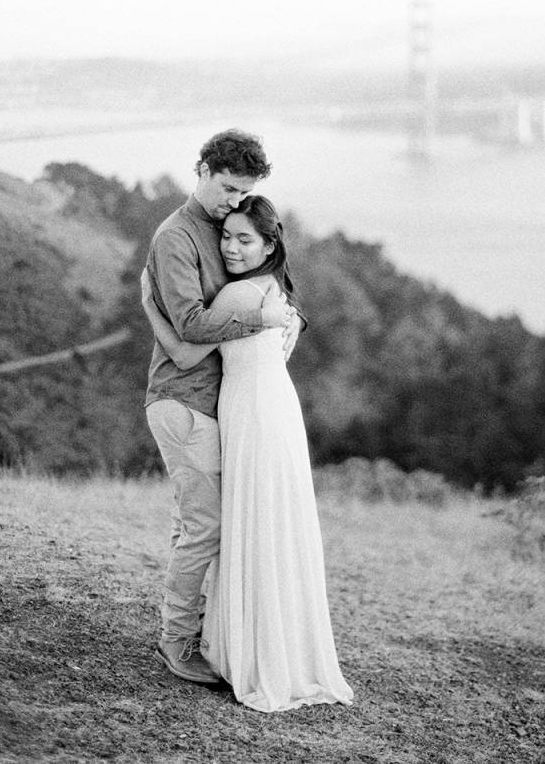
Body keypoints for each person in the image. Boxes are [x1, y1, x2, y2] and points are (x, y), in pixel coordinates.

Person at [145, 194, 353, 712]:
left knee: (241, 525)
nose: (231, 248)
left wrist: (149, 303)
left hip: (252, 414)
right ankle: (270, 645)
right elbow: (287, 332)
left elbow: (187, 348)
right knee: (264, 526)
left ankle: (225, 643)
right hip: (270, 411)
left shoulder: (242, 296)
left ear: (269, 244)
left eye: (245, 239)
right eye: (227, 236)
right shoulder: (277, 293)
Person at [143, 129, 297, 687]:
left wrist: (288, 316)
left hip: (214, 405)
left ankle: (197, 626)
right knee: (206, 528)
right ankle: (176, 641)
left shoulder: (223, 228)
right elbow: (188, 327)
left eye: (243, 194)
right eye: (229, 188)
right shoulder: (176, 237)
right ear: (203, 169)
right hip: (183, 403)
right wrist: (264, 319)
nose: (234, 202)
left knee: (200, 523)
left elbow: (263, 276)